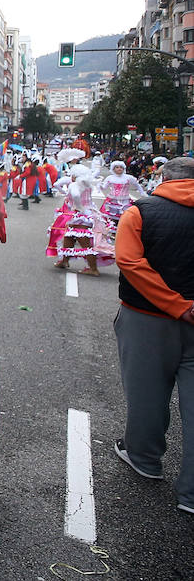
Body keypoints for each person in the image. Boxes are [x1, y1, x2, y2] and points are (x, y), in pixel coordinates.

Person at [112, 156, 194, 515]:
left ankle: (145, 459)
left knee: (146, 393)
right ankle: (191, 496)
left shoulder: (140, 212)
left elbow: (130, 263)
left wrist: (177, 305)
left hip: (147, 318)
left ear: (162, 177)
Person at [100, 160, 141, 226]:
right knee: (112, 215)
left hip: (125, 199)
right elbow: (104, 187)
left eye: (121, 167)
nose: (119, 169)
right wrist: (99, 185)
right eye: (117, 167)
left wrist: (142, 193)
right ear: (113, 169)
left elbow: (137, 185)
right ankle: (113, 228)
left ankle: (122, 227)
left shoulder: (128, 177)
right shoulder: (110, 178)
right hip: (112, 199)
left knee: (124, 214)